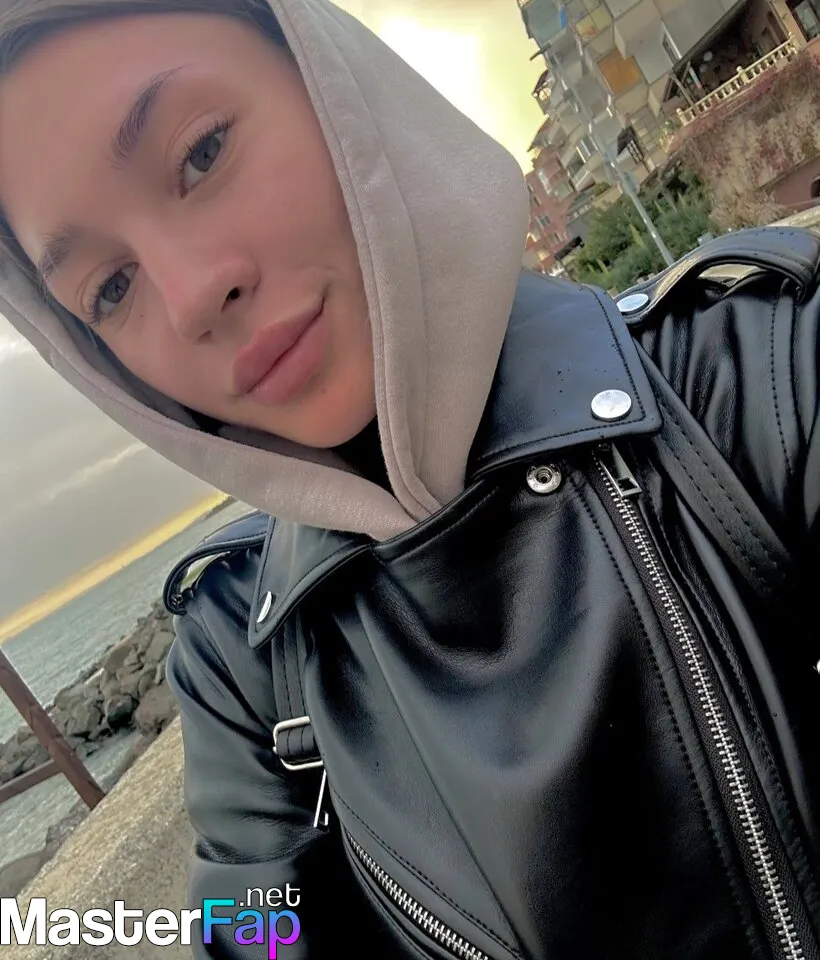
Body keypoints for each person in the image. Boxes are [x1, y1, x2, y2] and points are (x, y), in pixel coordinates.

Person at [0, 1, 818, 957]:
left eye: (202, 152)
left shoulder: (757, 372)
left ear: (333, 87)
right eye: (108, 289)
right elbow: (251, 936)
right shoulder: (236, 657)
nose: (191, 298)